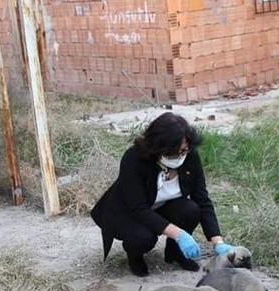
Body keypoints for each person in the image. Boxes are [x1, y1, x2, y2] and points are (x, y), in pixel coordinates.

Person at [91, 112, 234, 277]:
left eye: (184, 150)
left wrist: (218, 242)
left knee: (191, 210)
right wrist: (180, 234)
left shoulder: (190, 157)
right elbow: (138, 208)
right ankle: (134, 256)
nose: (180, 156)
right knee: (144, 237)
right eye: (174, 152)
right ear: (158, 148)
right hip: (127, 212)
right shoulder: (134, 159)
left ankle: (175, 252)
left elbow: (202, 199)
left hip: (160, 206)